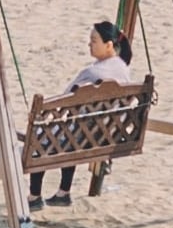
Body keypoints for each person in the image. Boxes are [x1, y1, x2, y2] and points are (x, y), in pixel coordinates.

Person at [43, 22, 138, 205]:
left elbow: (65, 97)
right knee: (71, 133)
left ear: (109, 45)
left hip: (85, 136)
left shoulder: (92, 72)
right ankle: (63, 192)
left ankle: (35, 196)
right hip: (110, 134)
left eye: (94, 41)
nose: (89, 44)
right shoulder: (124, 69)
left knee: (48, 136)